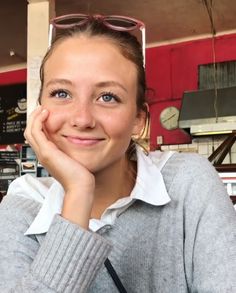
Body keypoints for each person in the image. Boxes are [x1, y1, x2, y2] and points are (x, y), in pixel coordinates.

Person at [0, 14, 236, 293]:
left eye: (107, 97)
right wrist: (78, 192)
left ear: (138, 119)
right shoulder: (22, 206)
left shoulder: (189, 183)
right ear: (40, 110)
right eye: (62, 93)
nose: (82, 119)